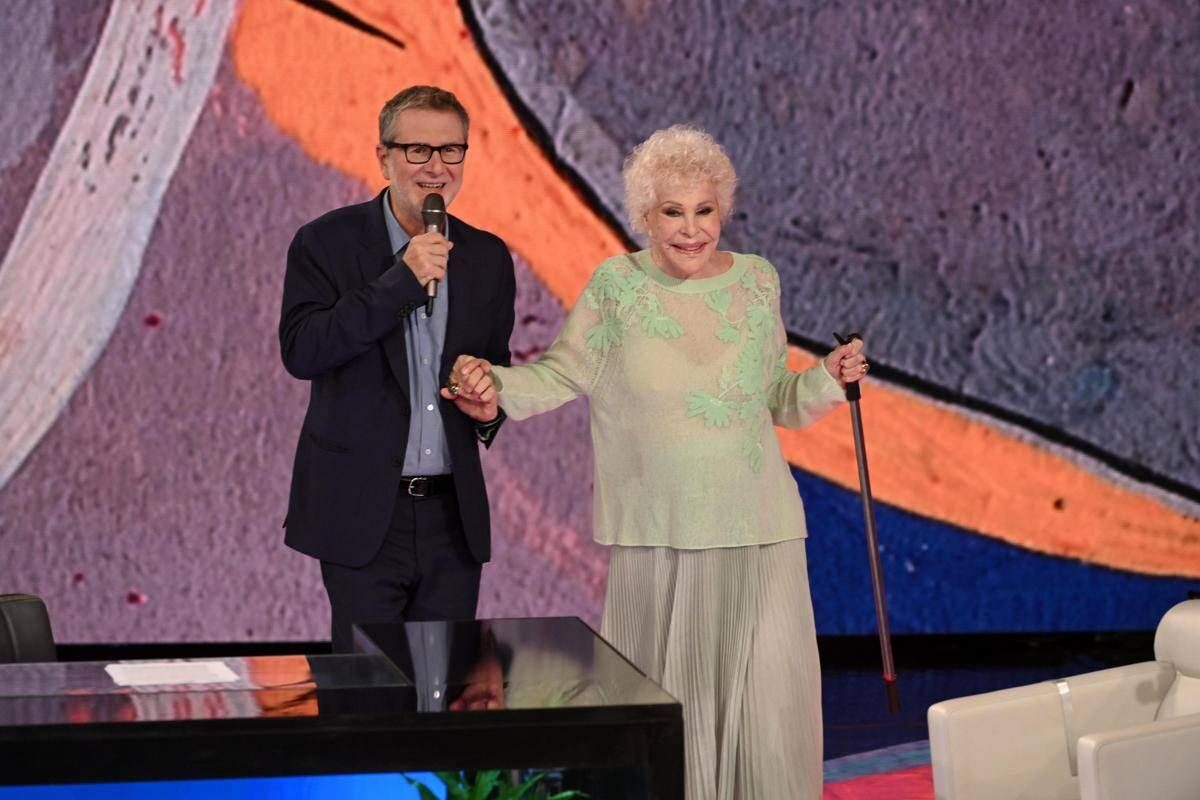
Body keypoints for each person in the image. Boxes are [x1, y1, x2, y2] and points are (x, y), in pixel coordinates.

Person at [445, 125, 867, 799]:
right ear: (645, 215)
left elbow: (778, 399)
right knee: (668, 712)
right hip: (660, 538)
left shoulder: (758, 282)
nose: (691, 230)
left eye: (705, 210)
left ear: (723, 211)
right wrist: (493, 388)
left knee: (767, 713)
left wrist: (828, 377)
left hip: (761, 533)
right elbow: (559, 374)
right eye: (673, 211)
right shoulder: (617, 287)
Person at [279, 85, 516, 653]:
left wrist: (488, 406)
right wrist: (399, 283)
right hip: (363, 515)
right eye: (417, 150)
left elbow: (496, 373)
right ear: (383, 158)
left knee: (445, 688)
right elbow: (303, 350)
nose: (436, 167)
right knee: (369, 687)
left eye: (451, 150)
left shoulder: (487, 257)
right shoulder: (325, 243)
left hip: (452, 521)